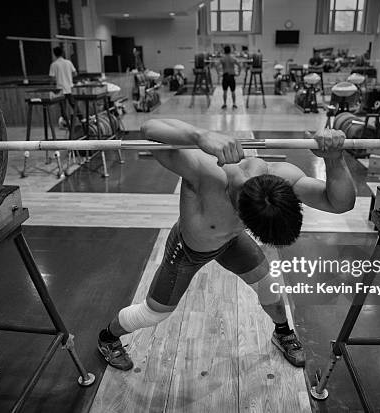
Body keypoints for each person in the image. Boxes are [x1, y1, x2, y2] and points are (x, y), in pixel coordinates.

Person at [97, 119, 357, 370]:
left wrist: (334, 159)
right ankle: (107, 338)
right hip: (188, 251)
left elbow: (340, 203)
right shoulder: (204, 174)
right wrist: (198, 135)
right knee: (153, 314)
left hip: (230, 242)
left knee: (271, 292)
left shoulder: (279, 179)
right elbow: (149, 129)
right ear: (242, 213)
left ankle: (282, 332)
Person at [49, 46, 78, 127]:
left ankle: (67, 124)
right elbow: (75, 73)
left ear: (54, 54)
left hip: (60, 90)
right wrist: (68, 76)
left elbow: (52, 78)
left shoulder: (54, 64)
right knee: (74, 105)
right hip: (69, 88)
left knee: (63, 108)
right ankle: (82, 119)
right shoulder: (68, 62)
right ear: (62, 53)